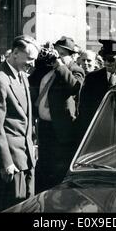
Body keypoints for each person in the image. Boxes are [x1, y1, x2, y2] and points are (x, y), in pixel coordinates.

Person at [0, 35, 40, 211]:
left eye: (34, 60)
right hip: (12, 162)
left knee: (28, 206)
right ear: (15, 53)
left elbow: (26, 117)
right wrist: (6, 162)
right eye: (29, 58)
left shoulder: (22, 76)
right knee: (12, 207)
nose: (32, 64)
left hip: (27, 157)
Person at [34, 36, 84, 193]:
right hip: (44, 126)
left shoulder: (75, 70)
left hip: (61, 129)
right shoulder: (48, 69)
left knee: (58, 168)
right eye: (56, 52)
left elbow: (75, 87)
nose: (58, 56)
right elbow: (33, 79)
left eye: (62, 53)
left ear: (71, 55)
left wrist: (61, 65)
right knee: (44, 165)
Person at [77, 39, 116, 142]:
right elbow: (84, 111)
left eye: (111, 59)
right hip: (98, 138)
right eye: (104, 59)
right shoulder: (92, 78)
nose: (107, 63)